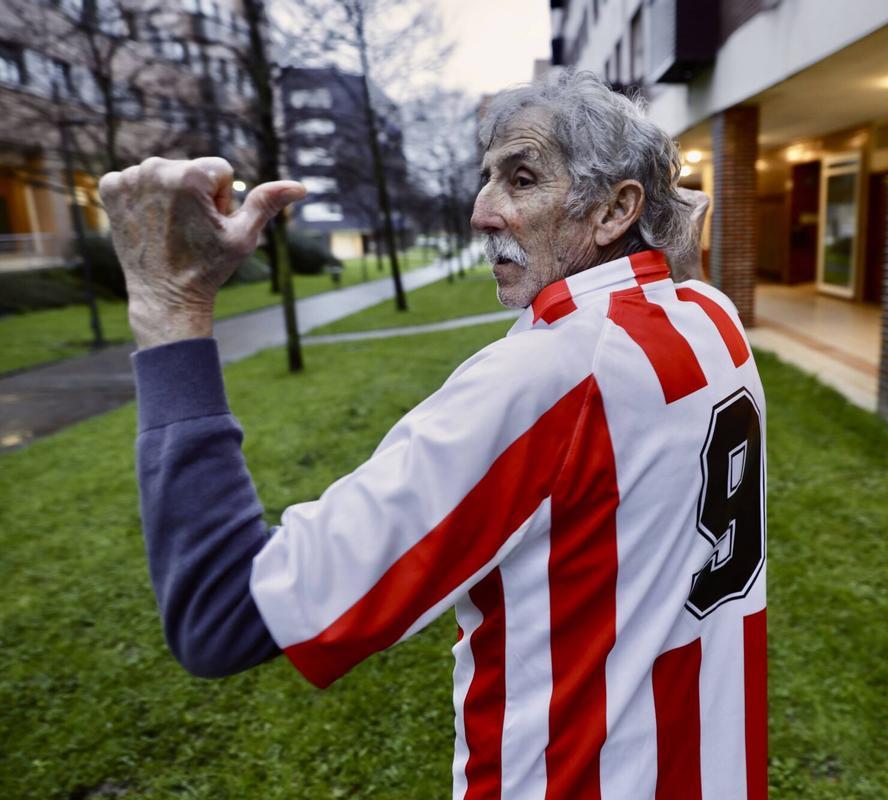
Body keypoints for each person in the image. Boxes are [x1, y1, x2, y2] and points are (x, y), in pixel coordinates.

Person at [100, 70, 767, 799]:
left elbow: (220, 613)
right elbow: (674, 266)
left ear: (615, 209)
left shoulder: (547, 378)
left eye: (521, 178)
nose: (482, 213)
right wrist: (654, 214)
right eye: (486, 179)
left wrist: (172, 303)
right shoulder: (710, 317)